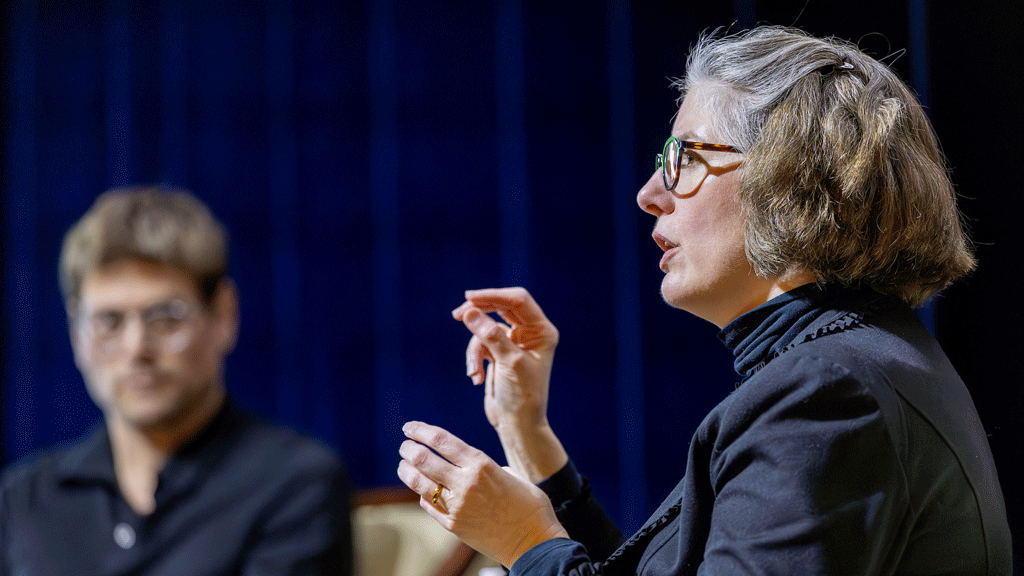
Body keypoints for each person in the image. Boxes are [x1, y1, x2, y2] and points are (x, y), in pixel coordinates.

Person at [397, 26, 1012, 575]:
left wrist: (527, 545)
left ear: (791, 177)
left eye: (684, 157)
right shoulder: (850, 366)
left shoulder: (831, 392)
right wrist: (525, 431)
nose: (647, 193)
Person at [0, 187, 352, 575]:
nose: (137, 349)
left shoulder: (296, 483)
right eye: (109, 322)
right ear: (76, 333)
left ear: (223, 315)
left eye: (165, 317)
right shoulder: (22, 501)